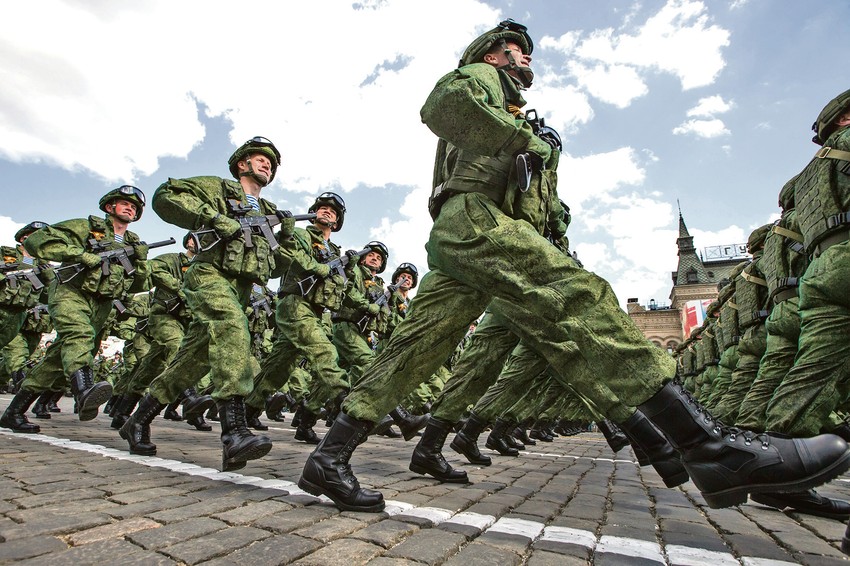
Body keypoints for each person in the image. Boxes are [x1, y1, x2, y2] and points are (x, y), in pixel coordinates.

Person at [297, 19, 850, 513]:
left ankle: (330, 456)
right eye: (517, 50)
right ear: (493, 54)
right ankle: (710, 447)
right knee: (582, 300)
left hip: (467, 231)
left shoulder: (513, 106)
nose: (526, 59)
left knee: (415, 349)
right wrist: (527, 140)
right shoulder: (484, 80)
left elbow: (537, 205)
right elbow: (443, 107)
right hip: (474, 220)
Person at [119, 137, 286, 472]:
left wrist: (285, 239)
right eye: (260, 159)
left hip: (240, 287)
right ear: (242, 164)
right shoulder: (219, 189)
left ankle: (137, 420)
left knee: (191, 362)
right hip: (208, 274)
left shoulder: (269, 212)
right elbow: (165, 197)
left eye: (271, 163)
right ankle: (234, 434)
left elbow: (274, 269)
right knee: (231, 328)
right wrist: (211, 216)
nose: (267, 164)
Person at [1, 187, 149, 432]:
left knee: (57, 360)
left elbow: (138, 285)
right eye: (124, 203)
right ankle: (84, 391)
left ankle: (14, 411)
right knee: (78, 334)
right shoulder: (84, 226)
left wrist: (141, 263)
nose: (129, 208)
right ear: (109, 207)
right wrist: (78, 254)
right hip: (72, 292)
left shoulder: (133, 242)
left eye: (134, 207)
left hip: (101, 303)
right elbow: (39, 241)